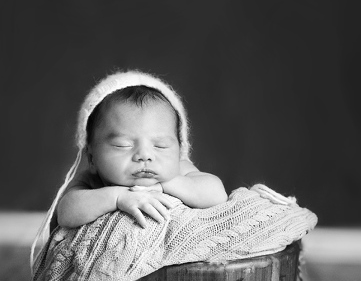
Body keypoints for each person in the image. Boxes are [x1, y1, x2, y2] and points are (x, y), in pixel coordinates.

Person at [30, 70, 227, 267]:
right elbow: (66, 212)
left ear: (180, 149)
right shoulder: (93, 180)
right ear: (92, 157)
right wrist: (118, 197)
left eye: (160, 146)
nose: (144, 155)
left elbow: (217, 194)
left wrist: (165, 185)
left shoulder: (178, 170)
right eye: (123, 145)